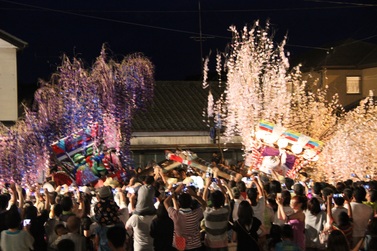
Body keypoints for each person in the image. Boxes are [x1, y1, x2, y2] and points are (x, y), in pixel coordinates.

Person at [164, 184, 207, 251]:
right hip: (195, 246)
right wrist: (194, 195)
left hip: (179, 246)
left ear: (179, 203)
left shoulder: (175, 214)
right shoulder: (196, 214)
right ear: (190, 203)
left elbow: (166, 202)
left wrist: (175, 193)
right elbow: (204, 204)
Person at [203, 177, 230, 250]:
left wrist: (207, 185)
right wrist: (220, 185)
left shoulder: (207, 212)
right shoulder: (225, 211)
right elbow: (226, 197)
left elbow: (204, 200)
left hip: (210, 244)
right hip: (223, 243)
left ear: (211, 201)